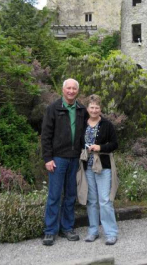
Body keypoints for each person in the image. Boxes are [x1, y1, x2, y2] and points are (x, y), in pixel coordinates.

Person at [41, 78, 87, 246]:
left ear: (77, 91)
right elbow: (46, 135)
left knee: (70, 195)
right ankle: (50, 231)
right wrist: (47, 158)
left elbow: (91, 128)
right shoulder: (53, 109)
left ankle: (67, 228)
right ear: (63, 90)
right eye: (68, 88)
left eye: (74, 88)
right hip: (58, 159)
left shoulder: (82, 109)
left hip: (75, 158)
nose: (71, 91)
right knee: (54, 195)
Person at [82, 94, 118, 245]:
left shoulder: (107, 125)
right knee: (91, 201)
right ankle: (93, 231)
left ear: (100, 109)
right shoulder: (82, 123)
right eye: (92, 107)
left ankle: (111, 233)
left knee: (104, 200)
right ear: (87, 108)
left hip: (103, 166)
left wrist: (100, 147)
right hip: (87, 166)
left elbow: (115, 144)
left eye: (97, 107)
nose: (94, 110)